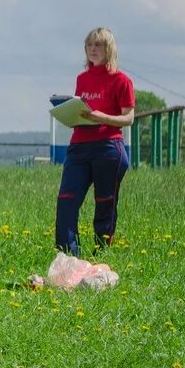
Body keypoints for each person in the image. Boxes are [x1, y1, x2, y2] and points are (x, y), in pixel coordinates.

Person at [55, 27, 135, 256]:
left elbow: (129, 118)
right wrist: (69, 114)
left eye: (98, 45)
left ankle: (102, 254)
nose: (93, 49)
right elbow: (83, 112)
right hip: (79, 147)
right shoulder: (82, 79)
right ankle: (68, 256)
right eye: (89, 45)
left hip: (109, 148)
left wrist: (103, 118)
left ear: (109, 49)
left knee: (104, 202)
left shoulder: (122, 80)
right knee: (66, 201)